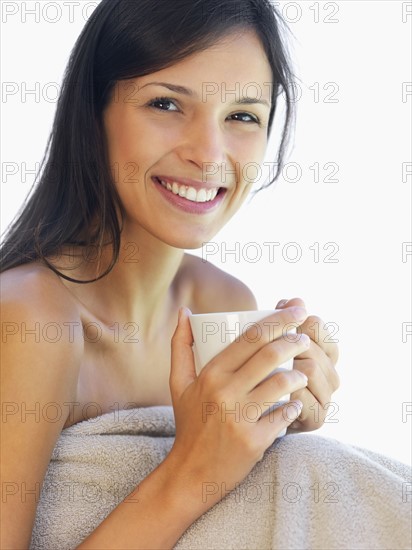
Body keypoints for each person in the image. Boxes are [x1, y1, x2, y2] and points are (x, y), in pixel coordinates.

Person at [0, 1, 340, 548]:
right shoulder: (29, 320)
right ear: (93, 112)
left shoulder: (220, 302)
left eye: (243, 115)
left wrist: (274, 432)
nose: (208, 155)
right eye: (165, 104)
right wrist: (192, 472)